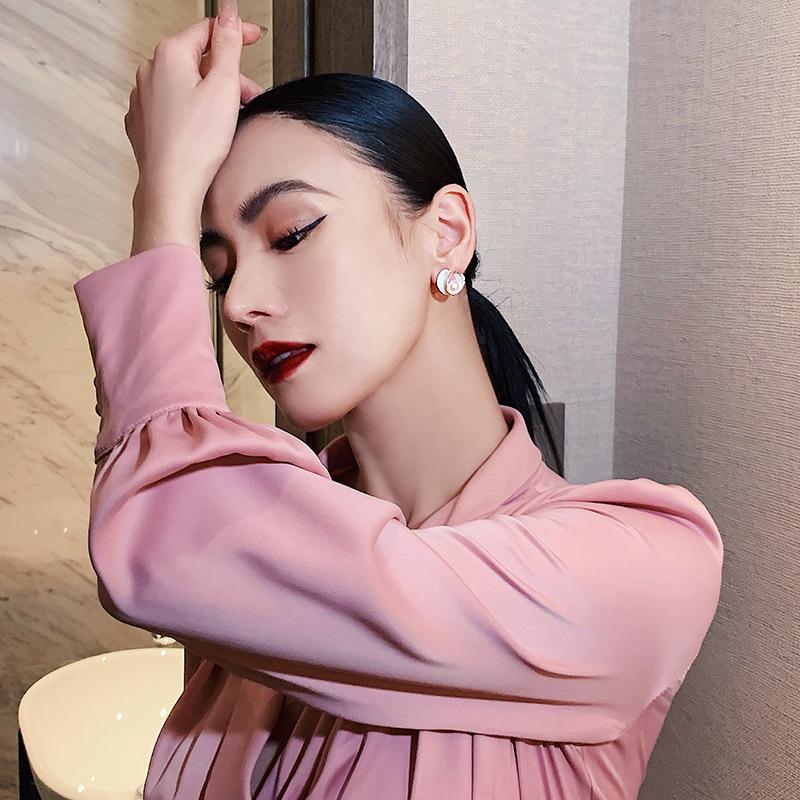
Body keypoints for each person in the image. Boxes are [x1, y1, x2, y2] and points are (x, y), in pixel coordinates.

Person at [72, 2, 724, 798]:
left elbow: (162, 538)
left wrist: (164, 194)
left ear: (445, 232)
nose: (238, 303)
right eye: (217, 273)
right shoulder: (261, 550)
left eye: (290, 233)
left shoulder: (646, 565)